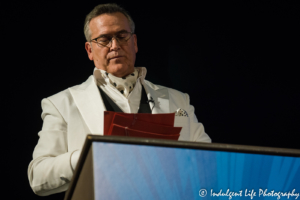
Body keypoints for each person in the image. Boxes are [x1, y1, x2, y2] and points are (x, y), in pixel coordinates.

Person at [27, 3, 211, 196]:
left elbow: (208, 161)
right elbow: (37, 176)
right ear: (89, 50)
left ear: (135, 43)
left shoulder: (178, 100)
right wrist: (89, 155)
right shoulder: (61, 104)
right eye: (104, 39)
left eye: (122, 36)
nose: (115, 45)